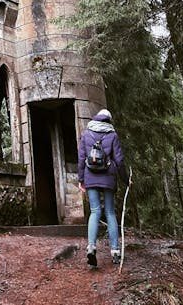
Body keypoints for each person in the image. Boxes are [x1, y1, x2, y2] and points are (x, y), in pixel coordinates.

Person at [78, 108, 128, 268]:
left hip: (90, 176)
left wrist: (81, 179)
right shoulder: (112, 135)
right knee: (110, 212)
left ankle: (91, 247)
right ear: (108, 120)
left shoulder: (86, 134)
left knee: (95, 211)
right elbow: (119, 160)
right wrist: (125, 180)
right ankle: (115, 251)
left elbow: (81, 158)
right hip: (108, 177)